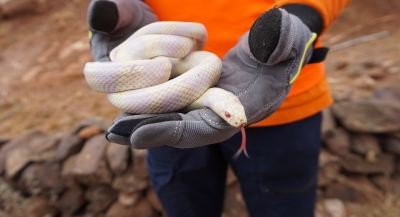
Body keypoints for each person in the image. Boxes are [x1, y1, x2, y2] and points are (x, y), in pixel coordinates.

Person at [86, 0, 351, 216]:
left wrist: (303, 14)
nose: (233, 119)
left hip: (281, 100)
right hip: (166, 116)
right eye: (228, 114)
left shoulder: (218, 85)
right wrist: (115, 13)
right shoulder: (173, 67)